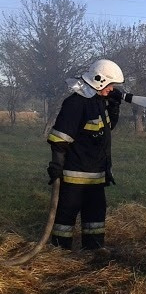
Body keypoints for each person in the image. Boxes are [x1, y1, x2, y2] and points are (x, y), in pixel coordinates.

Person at [47, 59, 132, 253]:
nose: (112, 89)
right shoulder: (76, 103)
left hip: (96, 173)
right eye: (110, 85)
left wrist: (114, 107)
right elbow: (60, 138)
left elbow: (105, 129)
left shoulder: (98, 102)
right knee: (66, 217)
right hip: (74, 174)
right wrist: (57, 166)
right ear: (99, 80)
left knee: (95, 216)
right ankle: (60, 253)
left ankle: (94, 252)